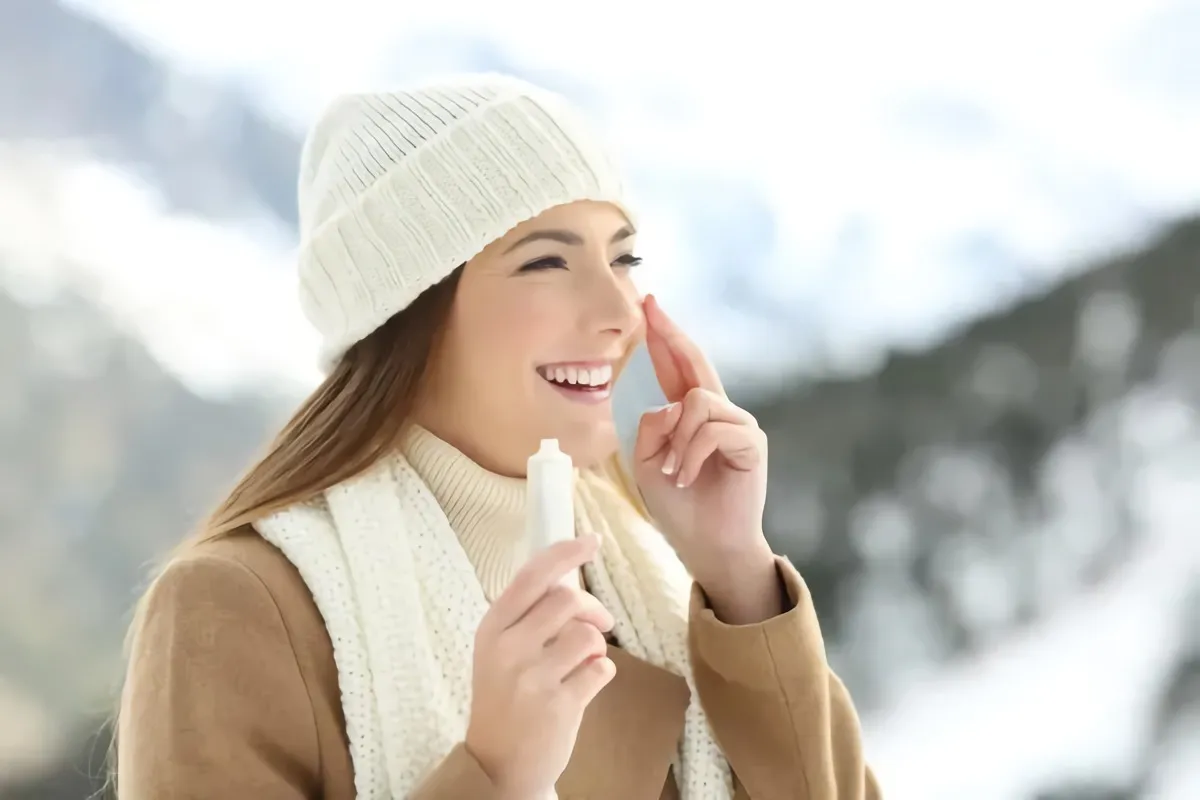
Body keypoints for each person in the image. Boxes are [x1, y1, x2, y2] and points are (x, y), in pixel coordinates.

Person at [115, 73, 881, 800]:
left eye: (624, 257)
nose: (619, 311)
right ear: (407, 310)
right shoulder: (237, 608)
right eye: (547, 261)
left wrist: (736, 574)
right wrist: (494, 771)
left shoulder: (660, 587)